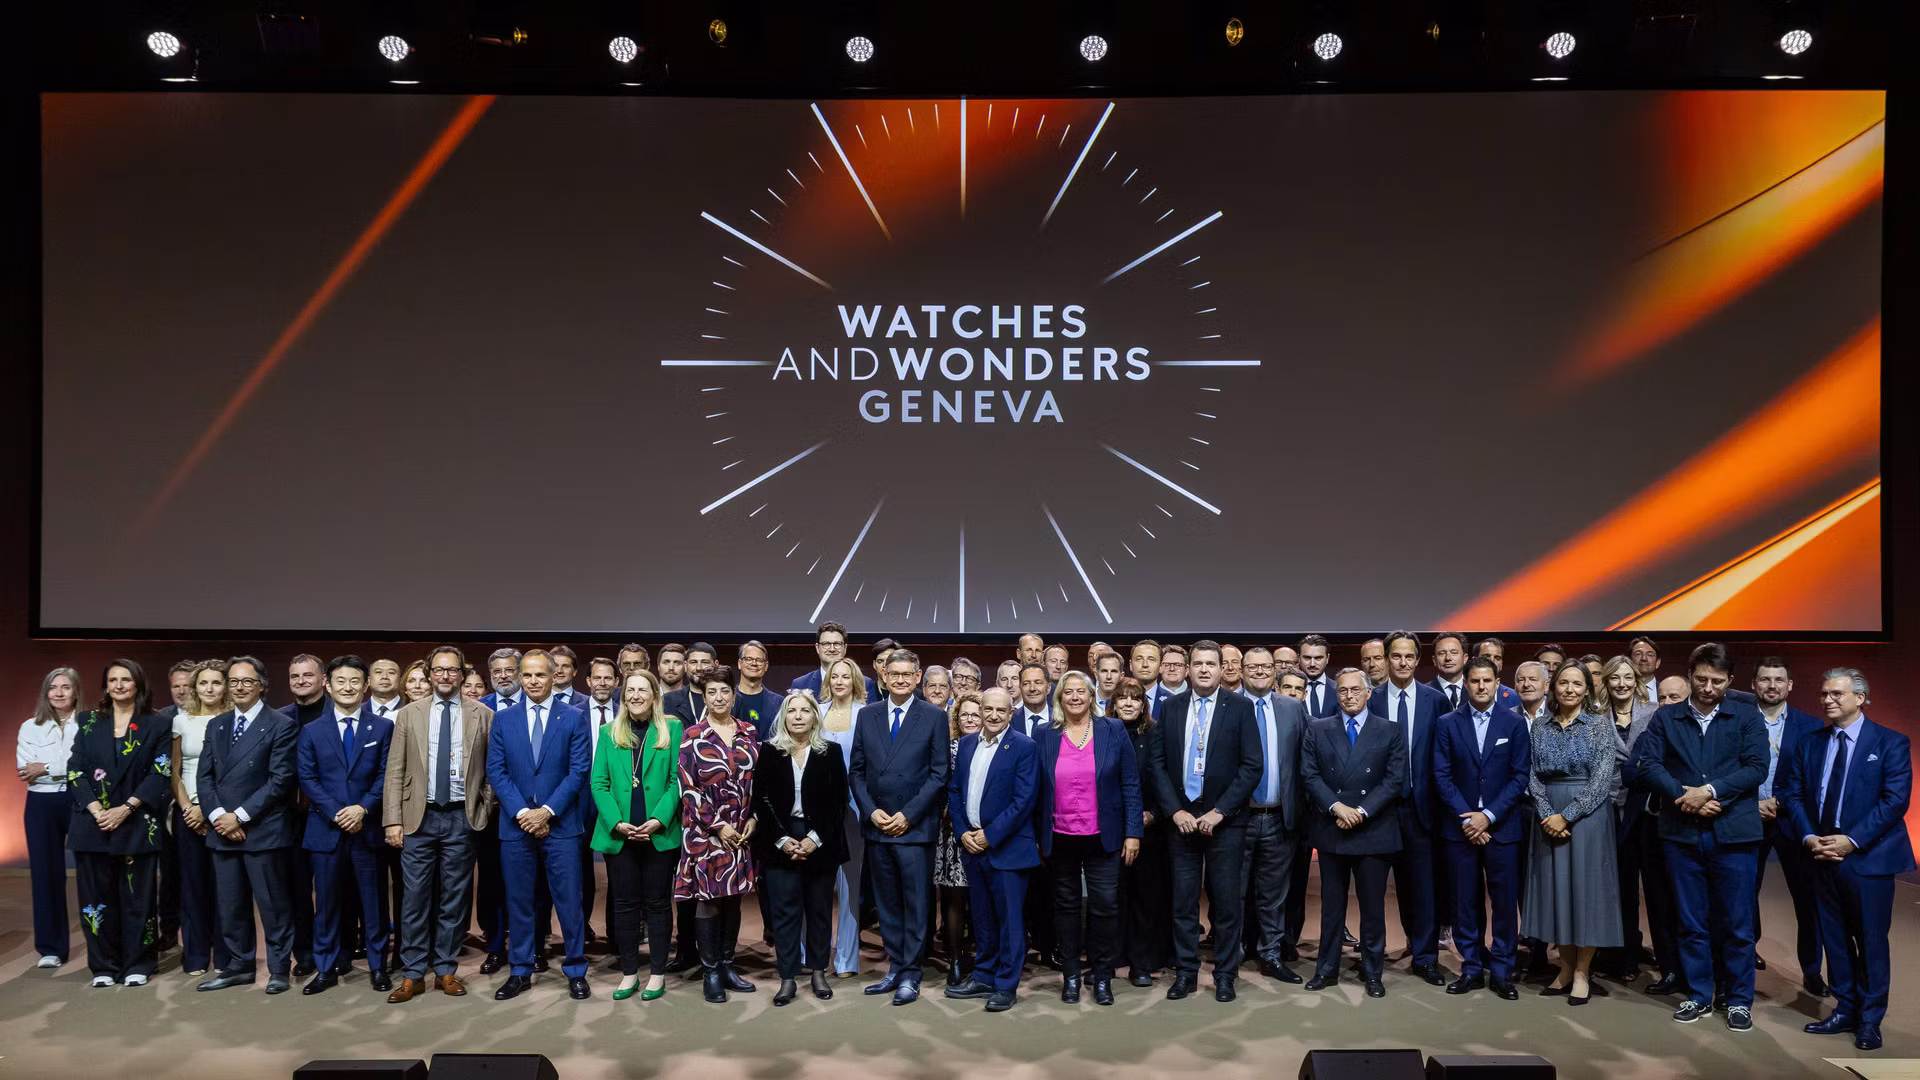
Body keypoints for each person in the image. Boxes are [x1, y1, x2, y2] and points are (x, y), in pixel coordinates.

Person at [1630, 642, 1767, 1031]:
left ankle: (1738, 1000)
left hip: (1734, 833)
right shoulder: (1666, 717)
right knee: (1691, 921)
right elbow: (1649, 765)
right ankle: (1699, 994)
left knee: (1737, 923)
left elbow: (1757, 766)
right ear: (1690, 675)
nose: (1708, 688)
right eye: (1702, 679)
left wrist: (1708, 792)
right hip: (1682, 834)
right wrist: (1683, 795)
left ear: (1730, 681)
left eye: (1717, 681)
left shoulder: (1746, 715)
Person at [1779, 668, 1915, 1053]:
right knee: (1834, 939)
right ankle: (1845, 1009)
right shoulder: (1810, 743)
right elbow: (1793, 794)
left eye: (1836, 694)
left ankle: (1870, 1019)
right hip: (1820, 854)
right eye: (1823, 694)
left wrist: (1851, 841)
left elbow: (1894, 801)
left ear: (1861, 697)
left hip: (1867, 858)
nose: (1827, 700)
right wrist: (1809, 837)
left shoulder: (1890, 742)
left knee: (1870, 940)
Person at [384, 646, 495, 1003]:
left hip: (462, 817)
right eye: (439, 670)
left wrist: (484, 804)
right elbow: (395, 770)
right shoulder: (408, 714)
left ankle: (446, 969)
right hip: (419, 818)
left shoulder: (483, 714)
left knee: (454, 898)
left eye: (452, 670)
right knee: (414, 899)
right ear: (430, 674)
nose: (445, 676)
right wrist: (392, 820)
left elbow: (492, 768)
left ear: (462, 675)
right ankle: (413, 973)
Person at [1157, 641, 1262, 1002]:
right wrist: (1175, 811)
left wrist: (1220, 812)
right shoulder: (1170, 708)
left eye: (1210, 664)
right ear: (1188, 669)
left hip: (1225, 823)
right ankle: (1185, 973)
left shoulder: (1241, 707)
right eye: (1198, 663)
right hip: (1182, 822)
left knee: (1227, 904)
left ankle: (1225, 975)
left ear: (1222, 669)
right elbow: (1157, 765)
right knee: (1183, 904)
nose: (1204, 669)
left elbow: (1252, 766)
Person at [486, 648, 593, 1001]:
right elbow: (496, 771)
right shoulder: (503, 719)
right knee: (519, 902)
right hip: (516, 826)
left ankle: (575, 969)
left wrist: (546, 812)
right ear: (520, 677)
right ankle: (520, 970)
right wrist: (523, 813)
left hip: (561, 826)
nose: (533, 681)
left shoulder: (574, 717)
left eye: (540, 675)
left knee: (569, 902)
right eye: (527, 675)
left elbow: (579, 770)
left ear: (554, 676)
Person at [1034, 671, 1143, 1006]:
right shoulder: (1044, 734)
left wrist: (1133, 832)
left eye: (1081, 691)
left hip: (1104, 837)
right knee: (1066, 907)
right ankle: (1070, 976)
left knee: (1105, 906)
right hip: (1059, 837)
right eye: (1068, 692)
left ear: (1092, 696)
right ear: (1059, 698)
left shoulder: (1113, 730)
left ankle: (1102, 976)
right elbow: (1035, 789)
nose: (1075, 697)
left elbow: (1130, 783)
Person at [850, 649, 950, 1006]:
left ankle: (911, 971)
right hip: (878, 826)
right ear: (884, 676)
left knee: (916, 904)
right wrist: (871, 811)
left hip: (914, 828)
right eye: (895, 674)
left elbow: (939, 773)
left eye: (908, 674)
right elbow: (857, 771)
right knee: (887, 903)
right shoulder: (868, 715)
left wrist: (908, 815)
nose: (901, 680)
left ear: (918, 677)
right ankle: (895, 966)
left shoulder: (934, 716)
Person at [196, 656, 299, 994]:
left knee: (273, 905)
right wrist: (217, 816)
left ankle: (279, 969)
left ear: (261, 685)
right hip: (222, 830)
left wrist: (238, 816)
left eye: (247, 681)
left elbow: (280, 780)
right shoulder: (217, 724)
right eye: (234, 681)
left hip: (263, 829)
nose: (239, 687)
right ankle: (239, 966)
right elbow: (205, 777)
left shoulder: (281, 724)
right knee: (230, 905)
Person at [67, 660, 173, 988]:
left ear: (138, 684)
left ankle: (139, 963)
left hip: (137, 823)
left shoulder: (157, 723)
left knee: (138, 899)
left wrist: (125, 808)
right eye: (112, 679)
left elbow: (160, 771)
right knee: (96, 900)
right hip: (93, 825)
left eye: (125, 679)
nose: (118, 685)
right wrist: (97, 809)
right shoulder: (88, 721)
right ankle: (103, 966)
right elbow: (75, 770)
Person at [1523, 661, 1622, 1006]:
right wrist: (1547, 813)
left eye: (1577, 684)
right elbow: (1532, 775)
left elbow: (1602, 780)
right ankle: (1564, 968)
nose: (1569, 689)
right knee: (1557, 893)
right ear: (1553, 687)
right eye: (1563, 682)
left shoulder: (1599, 725)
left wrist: (1567, 816)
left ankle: (1582, 972)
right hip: (1547, 816)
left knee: (1586, 893)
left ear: (1587, 690)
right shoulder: (1540, 726)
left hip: (1587, 818)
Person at [1303, 667, 1405, 997]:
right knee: (1331, 907)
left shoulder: (1390, 730)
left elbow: (1394, 780)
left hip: (1373, 828)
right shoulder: (1318, 728)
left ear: (1368, 693)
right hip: (1332, 826)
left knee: (1373, 908)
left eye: (1355, 690)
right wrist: (1337, 807)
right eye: (1343, 691)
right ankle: (1326, 969)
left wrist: (1360, 812)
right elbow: (1310, 775)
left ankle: (1373, 972)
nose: (1349, 696)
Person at [296, 655, 394, 995]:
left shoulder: (382, 727)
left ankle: (378, 967)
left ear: (365, 686)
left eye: (355, 681)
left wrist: (362, 809)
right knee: (327, 904)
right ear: (328, 685)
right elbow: (307, 778)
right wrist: (339, 812)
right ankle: (325, 968)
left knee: (375, 904)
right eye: (340, 681)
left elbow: (385, 775)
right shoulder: (312, 730)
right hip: (327, 829)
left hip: (368, 829)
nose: (347, 687)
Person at [1433, 658, 1530, 999]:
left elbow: (1520, 776)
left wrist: (1487, 816)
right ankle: (1472, 968)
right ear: (1466, 683)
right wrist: (1468, 818)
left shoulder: (1514, 723)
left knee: (1504, 903)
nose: (1481, 686)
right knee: (1465, 903)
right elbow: (1441, 776)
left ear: (1497, 682)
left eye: (1487, 680)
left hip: (1501, 827)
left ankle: (1502, 971)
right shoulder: (1447, 723)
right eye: (1474, 681)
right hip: (1460, 829)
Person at [944, 686, 1042, 1013]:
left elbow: (1024, 800)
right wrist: (962, 832)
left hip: (1007, 848)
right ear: (981, 710)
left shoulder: (1025, 746)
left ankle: (1005, 985)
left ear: (1011, 713)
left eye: (1001, 710)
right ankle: (984, 975)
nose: (994, 715)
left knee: (1010, 922)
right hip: (972, 846)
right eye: (988, 709)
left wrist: (990, 835)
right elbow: (955, 792)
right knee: (982, 919)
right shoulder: (967, 744)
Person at [588, 670, 681, 1002]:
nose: (636, 696)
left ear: (655, 695)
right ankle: (629, 972)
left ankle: (657, 974)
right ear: (623, 696)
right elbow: (599, 783)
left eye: (643, 690)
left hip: (659, 833)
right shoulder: (608, 732)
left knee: (658, 904)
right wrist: (616, 822)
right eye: (630, 690)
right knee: (624, 905)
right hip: (620, 834)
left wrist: (658, 819)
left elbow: (676, 780)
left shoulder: (671, 729)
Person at [1370, 630, 1453, 986]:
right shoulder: (1371, 698)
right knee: (1373, 890)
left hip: (1422, 812)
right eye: (1396, 656)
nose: (1403, 662)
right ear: (1386, 659)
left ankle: (1425, 957)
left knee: (1423, 889)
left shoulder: (1436, 701)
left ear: (1418, 660)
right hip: (1379, 812)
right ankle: (1372, 959)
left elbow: (1445, 755)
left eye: (1409, 656)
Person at [755, 691, 849, 1005]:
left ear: (814, 717)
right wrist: (782, 840)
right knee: (784, 912)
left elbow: (838, 801)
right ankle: (787, 977)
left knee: (819, 910)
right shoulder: (769, 751)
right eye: (791, 710)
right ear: (783, 717)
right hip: (779, 841)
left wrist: (814, 838)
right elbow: (761, 800)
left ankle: (819, 972)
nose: (797, 716)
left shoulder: (830, 751)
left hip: (820, 841)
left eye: (804, 711)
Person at [676, 665, 760, 1003]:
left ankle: (727, 965)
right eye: (712, 692)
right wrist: (718, 826)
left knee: (733, 899)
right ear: (704, 697)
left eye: (724, 691)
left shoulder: (748, 731)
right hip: (705, 833)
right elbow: (688, 788)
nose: (719, 697)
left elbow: (758, 781)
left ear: (733, 694)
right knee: (708, 901)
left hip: (741, 830)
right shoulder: (692, 735)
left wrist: (753, 818)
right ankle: (710, 971)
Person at [1750, 657, 1826, 993]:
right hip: (1748, 815)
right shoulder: (1738, 720)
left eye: (1778, 679)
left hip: (1792, 820)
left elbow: (1814, 777)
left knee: (1807, 898)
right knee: (1743, 893)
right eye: (1765, 679)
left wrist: (1781, 802)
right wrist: (1752, 803)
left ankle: (1811, 969)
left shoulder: (1811, 726)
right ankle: (1747, 951)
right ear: (1754, 684)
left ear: (1790, 685)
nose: (1772, 685)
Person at [1236, 648, 1307, 984]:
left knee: (1274, 894)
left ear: (1275, 671)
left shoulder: (1293, 708)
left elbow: (1306, 760)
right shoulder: (1227, 705)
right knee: (1233, 891)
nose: (1260, 671)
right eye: (1253, 667)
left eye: (1266, 666)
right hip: (1237, 818)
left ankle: (1271, 955)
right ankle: (1232, 953)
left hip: (1279, 817)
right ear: (1241, 670)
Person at [1597, 655, 1666, 984]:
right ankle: (1620, 957)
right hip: (1607, 808)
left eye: (1628, 677)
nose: (1621, 683)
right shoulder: (1594, 715)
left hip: (1646, 810)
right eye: (1615, 677)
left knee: (1655, 888)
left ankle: (1667, 961)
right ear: (1606, 682)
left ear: (1637, 681)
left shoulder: (1655, 713)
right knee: (1618, 888)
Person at [169, 660, 231, 977]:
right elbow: (174, 771)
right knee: (192, 888)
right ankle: (195, 955)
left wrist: (210, 810)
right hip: (188, 814)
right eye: (203, 683)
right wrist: (187, 809)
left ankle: (225, 956)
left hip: (224, 815)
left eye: (216, 682)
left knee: (225, 889)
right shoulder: (181, 722)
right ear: (195, 688)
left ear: (226, 686)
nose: (209, 688)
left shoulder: (235, 721)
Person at [1111, 678, 1173, 986]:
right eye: (1122, 698)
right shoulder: (1102, 732)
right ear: (1113, 703)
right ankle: (1110, 959)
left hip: (1150, 829)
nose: (1128, 703)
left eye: (1134, 698)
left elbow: (1166, 777)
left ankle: (1141, 963)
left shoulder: (1156, 733)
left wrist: (1154, 813)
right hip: (1111, 830)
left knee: (1145, 899)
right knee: (1112, 898)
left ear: (1143, 704)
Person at [18, 667, 81, 969]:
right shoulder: (30, 727)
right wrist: (63, 768)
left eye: (65, 687)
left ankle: (102, 945)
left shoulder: (89, 724)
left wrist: (46, 767)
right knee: (45, 874)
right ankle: (51, 949)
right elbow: (26, 769)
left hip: (81, 799)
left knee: (94, 872)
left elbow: (86, 765)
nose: (58, 692)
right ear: (46, 692)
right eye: (53, 687)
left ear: (76, 691)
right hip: (41, 803)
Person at [817, 656, 869, 979]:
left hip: (854, 809)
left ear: (855, 682)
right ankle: (814, 954)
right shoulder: (816, 711)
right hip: (818, 810)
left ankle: (847, 959)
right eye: (834, 676)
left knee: (850, 885)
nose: (839, 681)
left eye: (845, 677)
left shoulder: (866, 714)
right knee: (817, 885)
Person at [933, 693, 984, 985]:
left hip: (983, 834)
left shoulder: (991, 747)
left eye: (975, 714)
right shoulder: (948, 748)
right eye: (964, 714)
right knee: (953, 899)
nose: (970, 719)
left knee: (981, 902)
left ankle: (982, 959)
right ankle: (955, 958)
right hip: (952, 833)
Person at [793, 621, 870, 701]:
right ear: (817, 648)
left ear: (845, 648)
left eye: (837, 644)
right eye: (826, 644)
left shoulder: (865, 683)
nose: (832, 649)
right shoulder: (800, 684)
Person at [732, 641, 783, 735]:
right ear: (739, 663)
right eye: (749, 659)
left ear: (766, 666)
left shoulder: (779, 703)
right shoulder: (727, 700)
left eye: (759, 660)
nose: (754, 663)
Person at [665, 643, 718, 724]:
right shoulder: (668, 701)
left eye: (705, 662)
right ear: (685, 666)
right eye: (693, 662)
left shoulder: (730, 700)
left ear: (716, 665)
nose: (699, 668)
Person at [1298, 636, 1335, 718]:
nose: (1312, 664)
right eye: (1307, 658)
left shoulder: (1338, 689)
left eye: (1318, 658)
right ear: (1299, 658)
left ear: (1327, 658)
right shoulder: (1290, 691)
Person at [1011, 663, 1052, 738]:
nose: (1032, 688)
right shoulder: (1010, 719)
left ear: (1048, 688)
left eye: (1038, 683)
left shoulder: (1061, 719)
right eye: (1026, 684)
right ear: (1020, 688)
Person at [481, 648, 523, 713]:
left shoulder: (534, 701)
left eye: (509, 670)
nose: (503, 676)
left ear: (520, 672)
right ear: (490, 674)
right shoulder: (480, 705)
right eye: (497, 671)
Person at [548, 646, 585, 710]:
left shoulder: (587, 702)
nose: (559, 671)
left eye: (565, 666)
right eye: (555, 665)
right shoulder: (535, 700)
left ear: (574, 672)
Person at [1628, 637, 1661, 705]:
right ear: (1629, 660)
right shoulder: (1621, 690)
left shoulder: (1666, 690)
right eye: (1638, 654)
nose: (1644, 658)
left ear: (1657, 663)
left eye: (1650, 655)